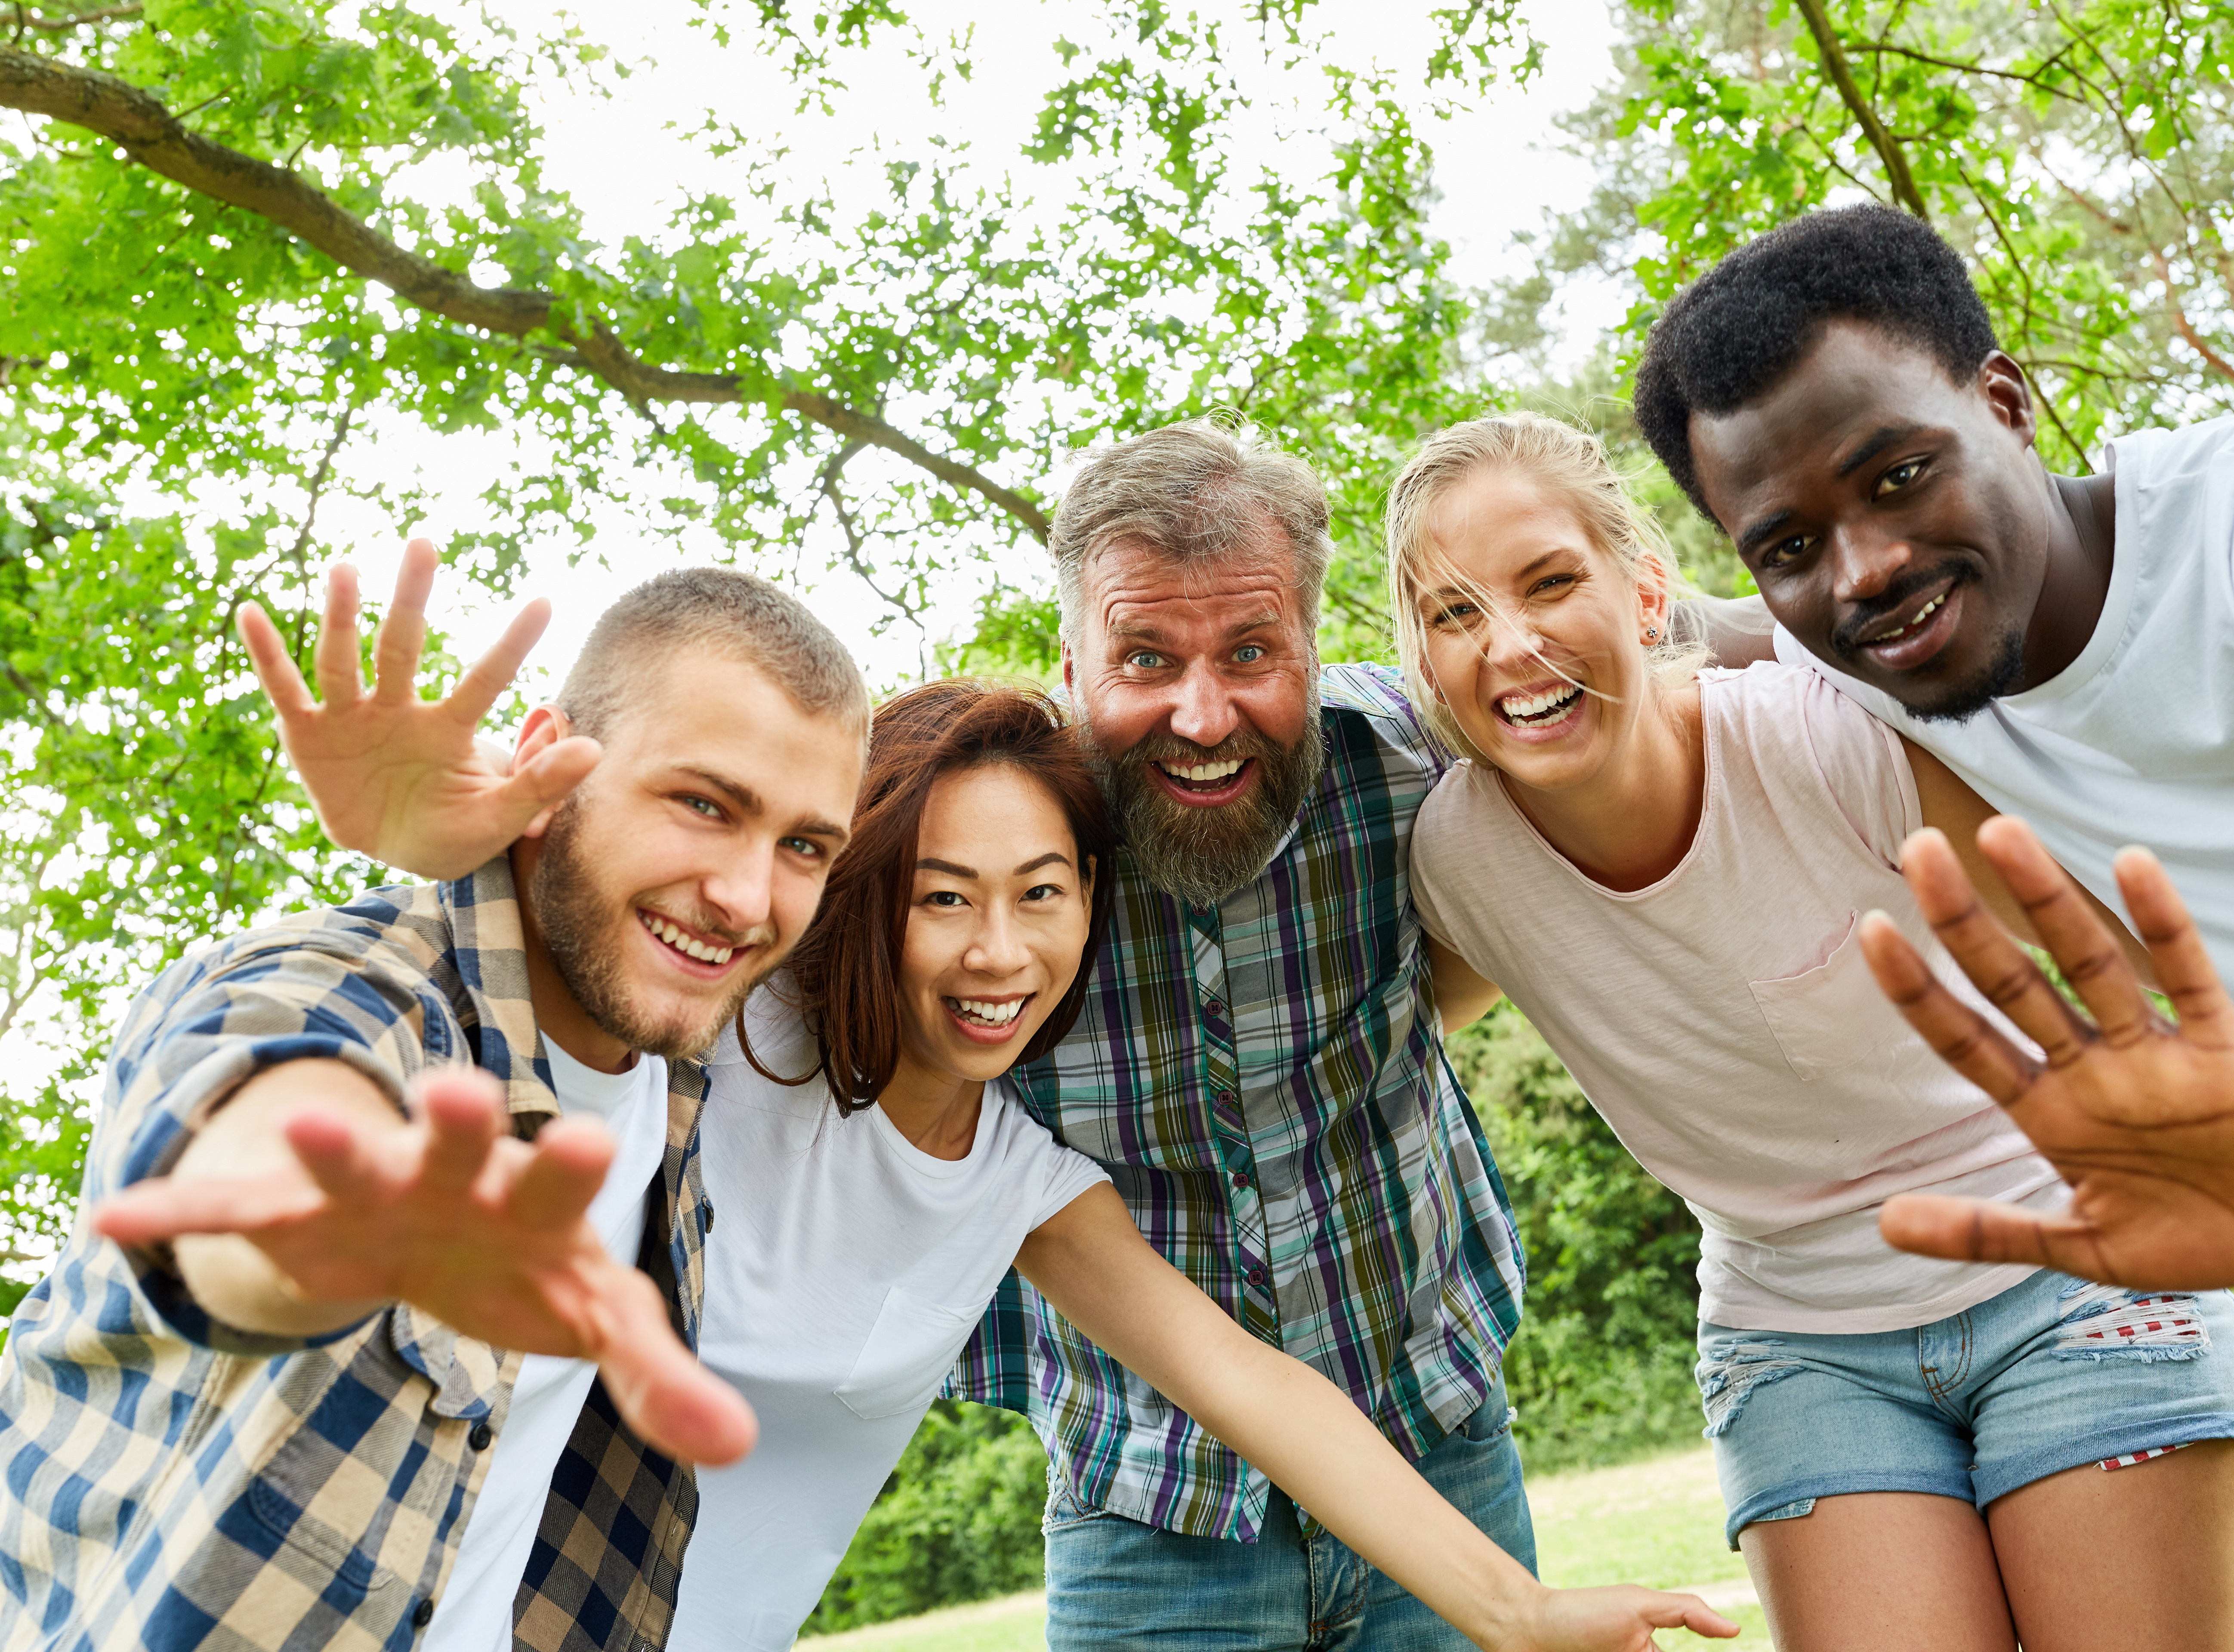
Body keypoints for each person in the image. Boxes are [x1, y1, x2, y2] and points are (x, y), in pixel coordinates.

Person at [305, 428, 1534, 1650]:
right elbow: (614, 946)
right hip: (1132, 1499)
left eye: (1252, 653)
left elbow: (1252, 1378)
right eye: (946, 897)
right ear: (1077, 658)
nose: (1201, 713)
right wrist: (463, 855)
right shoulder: (795, 992)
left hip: (1434, 1418)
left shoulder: (1406, 769)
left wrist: (1523, 1613)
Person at [1632, 203, 2234, 1651]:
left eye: (1899, 474)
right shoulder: (1865, 642)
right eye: (1789, 545)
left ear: (2006, 404)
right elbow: (1629, 636)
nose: (1863, 569)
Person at [1385, 412, 2234, 1652]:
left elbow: (2122, 956)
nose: (1514, 646)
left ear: (1645, 592)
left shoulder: (1817, 737)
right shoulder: (1461, 864)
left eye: (1550, 582)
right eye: (1456, 613)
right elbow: (1384, 1033)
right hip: (1802, 1340)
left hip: (2070, 1263)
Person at [0, 566, 867, 1651]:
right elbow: (265, 1104)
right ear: (551, 762)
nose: (746, 897)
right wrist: (322, 1228)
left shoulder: (680, 1059)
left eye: (803, 847)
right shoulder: (360, 987)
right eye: (703, 804)